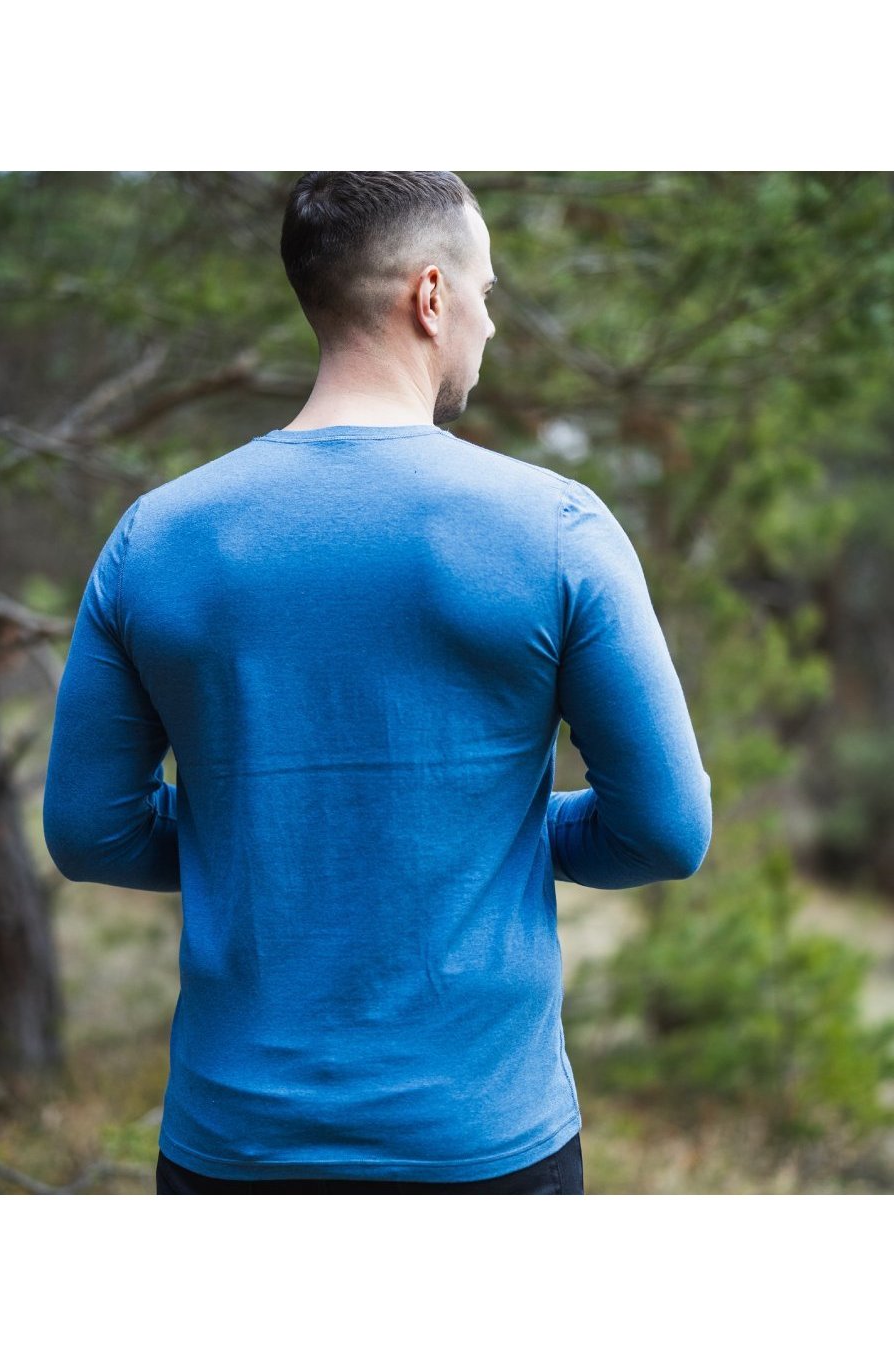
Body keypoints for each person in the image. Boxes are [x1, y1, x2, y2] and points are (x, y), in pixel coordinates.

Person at [43, 171, 713, 1195]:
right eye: (487, 291)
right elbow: (665, 831)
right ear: (430, 295)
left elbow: (90, 833)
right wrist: (485, 831)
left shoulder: (158, 537)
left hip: (233, 1147)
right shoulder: (554, 529)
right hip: (484, 1146)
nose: (491, 322)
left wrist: (271, 833)